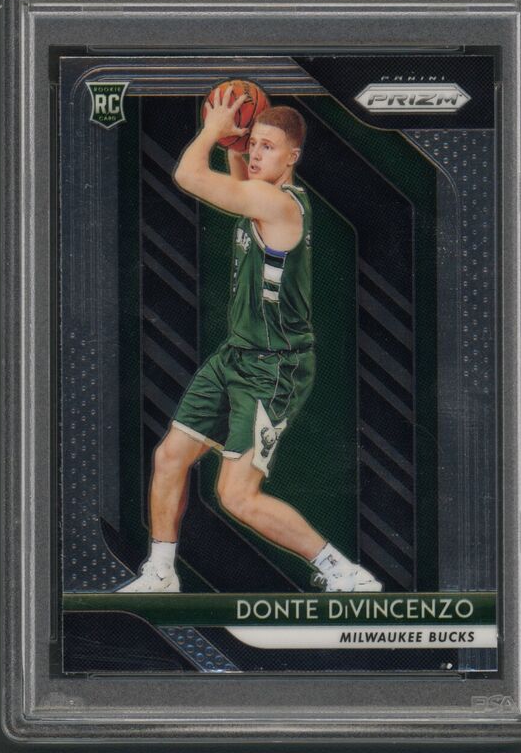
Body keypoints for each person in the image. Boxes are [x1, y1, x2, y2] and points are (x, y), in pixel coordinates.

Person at [120, 86, 383, 594]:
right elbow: (240, 185)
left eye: (268, 147)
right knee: (170, 456)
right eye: (254, 143)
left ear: (292, 158)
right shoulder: (260, 197)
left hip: (274, 366)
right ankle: (161, 572)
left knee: (236, 496)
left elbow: (187, 176)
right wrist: (236, 148)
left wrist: (214, 130)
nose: (257, 153)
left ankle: (342, 570)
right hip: (236, 356)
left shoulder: (278, 203)